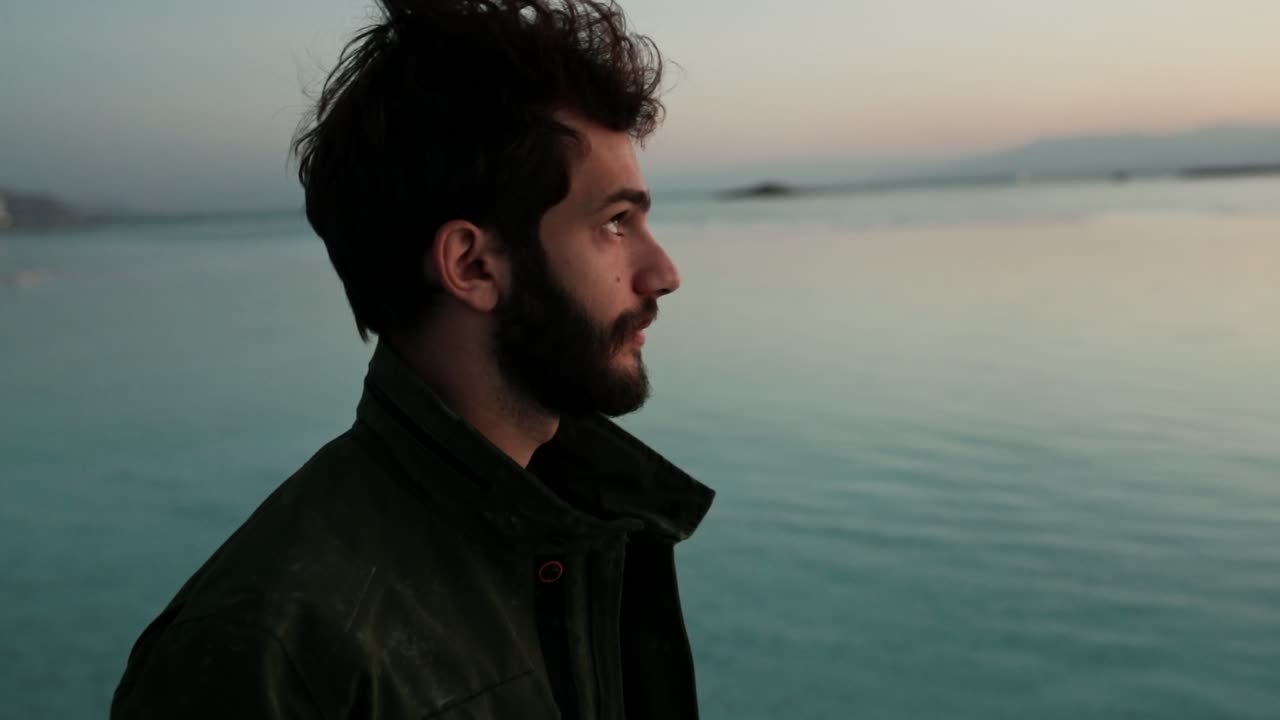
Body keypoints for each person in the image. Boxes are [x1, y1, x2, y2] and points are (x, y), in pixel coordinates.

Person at [109, 0, 715, 717]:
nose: (664, 271)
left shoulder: (588, 529)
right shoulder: (272, 650)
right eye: (616, 223)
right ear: (472, 265)